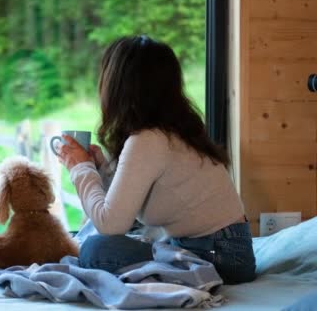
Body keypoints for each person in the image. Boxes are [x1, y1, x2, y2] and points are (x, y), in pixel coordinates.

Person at [55, 35, 256, 284]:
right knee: (102, 245)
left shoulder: (148, 139)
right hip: (225, 250)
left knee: (97, 250)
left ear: (118, 85)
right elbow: (132, 203)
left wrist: (80, 168)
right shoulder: (170, 131)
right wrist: (102, 169)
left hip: (219, 255)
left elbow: (111, 223)